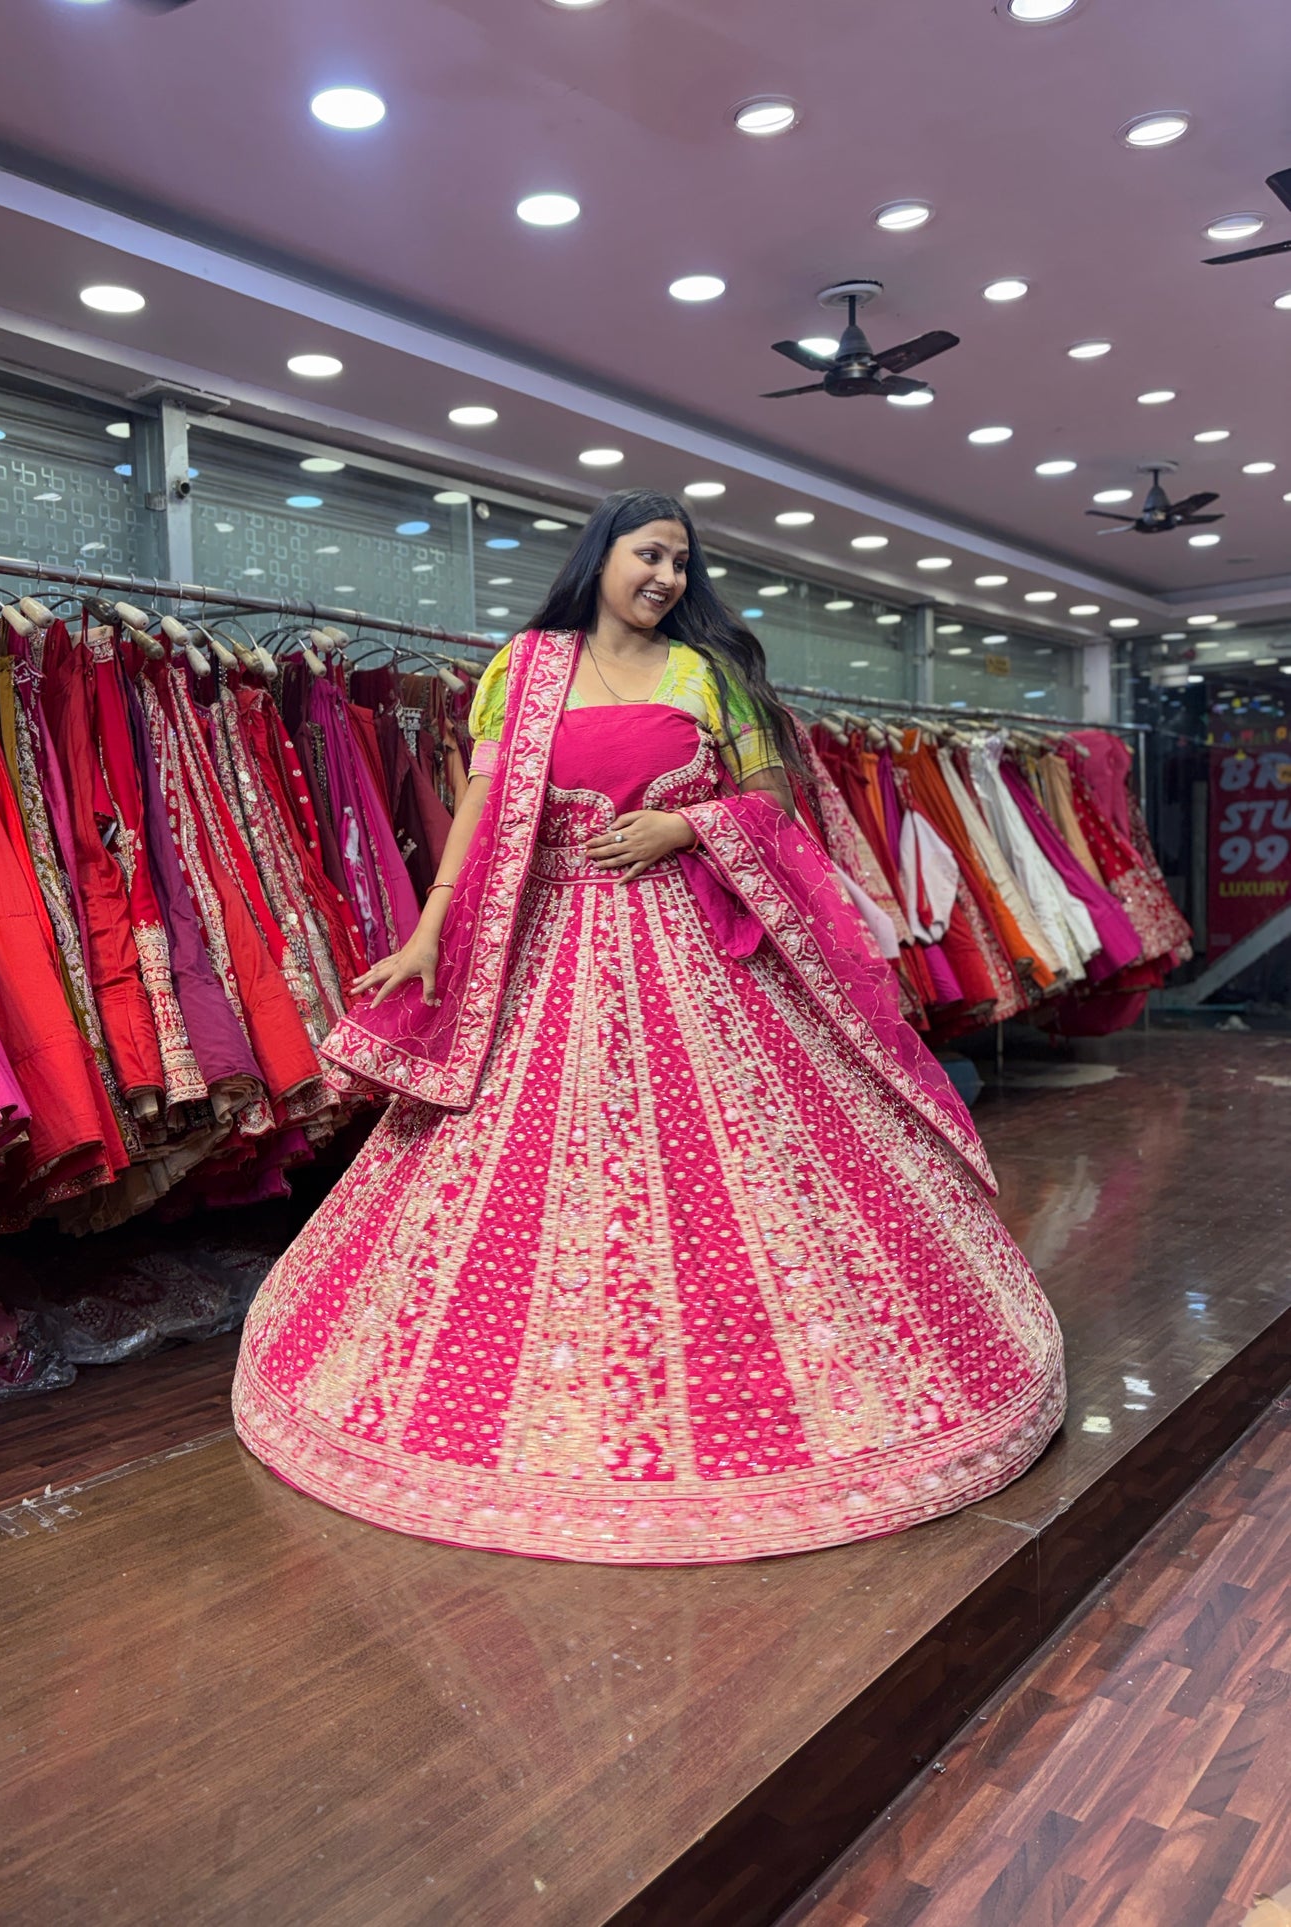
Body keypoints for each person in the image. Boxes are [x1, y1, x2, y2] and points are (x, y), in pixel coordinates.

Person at [233, 490, 1065, 1563]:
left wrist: (684, 823)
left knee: (743, 1161)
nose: (666, 576)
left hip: (694, 948)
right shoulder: (524, 665)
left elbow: (772, 805)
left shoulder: (707, 674)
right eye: (649, 554)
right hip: (546, 949)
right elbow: (483, 808)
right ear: (601, 557)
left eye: (680, 561)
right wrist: (430, 930)